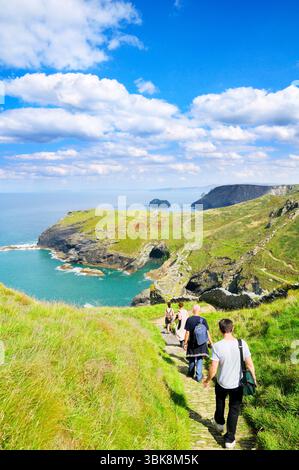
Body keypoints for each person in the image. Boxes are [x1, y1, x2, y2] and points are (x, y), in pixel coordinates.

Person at [203, 319, 257, 449]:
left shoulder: (217, 346)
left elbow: (213, 369)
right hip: (238, 384)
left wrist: (207, 380)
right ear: (232, 329)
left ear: (221, 330)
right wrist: (254, 379)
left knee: (220, 402)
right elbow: (249, 364)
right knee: (234, 410)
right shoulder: (242, 343)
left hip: (221, 383)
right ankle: (229, 439)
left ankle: (220, 423)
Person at [184, 305, 212, 382]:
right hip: (202, 343)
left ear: (193, 310)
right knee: (199, 358)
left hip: (192, 343)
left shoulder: (189, 320)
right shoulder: (203, 320)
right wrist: (211, 342)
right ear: (199, 311)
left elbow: (187, 332)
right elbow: (207, 333)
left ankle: (190, 373)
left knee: (192, 358)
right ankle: (199, 377)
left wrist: (185, 342)